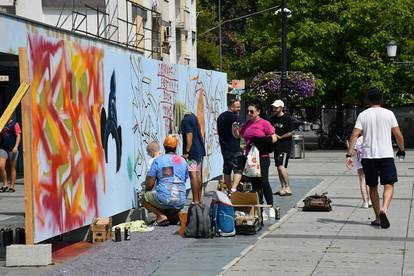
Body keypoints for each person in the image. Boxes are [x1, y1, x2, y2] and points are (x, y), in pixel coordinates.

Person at [346, 88, 405, 229]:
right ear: (381, 99)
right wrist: (401, 149)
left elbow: (354, 135)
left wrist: (349, 154)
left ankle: (378, 218)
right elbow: (398, 134)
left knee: (372, 186)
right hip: (386, 155)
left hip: (369, 156)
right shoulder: (389, 114)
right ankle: (384, 209)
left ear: (368, 100)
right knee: (389, 184)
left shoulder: (363, 115)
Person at [237, 100, 277, 219]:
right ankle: (259, 207)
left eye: (252, 111)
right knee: (255, 183)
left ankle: (270, 207)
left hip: (262, 157)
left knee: (264, 181)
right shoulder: (247, 124)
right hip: (250, 157)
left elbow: (274, 138)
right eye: (248, 111)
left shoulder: (264, 123)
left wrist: (260, 141)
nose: (249, 113)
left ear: (258, 111)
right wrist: (235, 129)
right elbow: (239, 135)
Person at [141, 135, 189, 226]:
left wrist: (147, 188)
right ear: (176, 147)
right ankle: (173, 216)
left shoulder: (158, 161)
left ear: (164, 146)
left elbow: (150, 185)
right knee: (168, 197)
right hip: (180, 201)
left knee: (142, 196)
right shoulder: (183, 161)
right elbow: (184, 180)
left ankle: (161, 216)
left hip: (165, 199)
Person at [175, 103, 206, 204]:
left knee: (193, 175)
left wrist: (187, 152)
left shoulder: (185, 120)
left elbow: (189, 136)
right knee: (198, 175)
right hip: (199, 150)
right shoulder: (193, 116)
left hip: (192, 152)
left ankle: (195, 200)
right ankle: (199, 199)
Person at [217, 98, 243, 194]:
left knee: (227, 169)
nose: (239, 109)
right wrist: (241, 135)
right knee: (238, 168)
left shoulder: (220, 116)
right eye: (237, 107)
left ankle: (228, 189)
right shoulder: (234, 118)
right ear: (231, 106)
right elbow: (236, 133)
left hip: (224, 146)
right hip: (234, 146)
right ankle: (234, 189)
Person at [269, 100, 293, 196]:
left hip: (285, 145)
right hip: (276, 145)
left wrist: (281, 137)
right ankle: (283, 187)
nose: (274, 109)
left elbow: (291, 132)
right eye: (273, 107)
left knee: (281, 166)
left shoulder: (287, 118)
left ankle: (288, 187)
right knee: (278, 167)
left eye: (276, 107)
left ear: (281, 108)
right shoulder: (272, 118)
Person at [0, 118, 21, 193]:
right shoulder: (1, 122)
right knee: (1, 166)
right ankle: (5, 184)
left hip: (12, 148)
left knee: (12, 168)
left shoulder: (15, 123)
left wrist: (16, 147)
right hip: (3, 148)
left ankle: (12, 187)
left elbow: (18, 135)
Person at [350, 135, 371, 209]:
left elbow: (353, 153)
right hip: (370, 162)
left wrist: (348, 147)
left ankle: (365, 202)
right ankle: (370, 200)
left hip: (360, 163)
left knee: (362, 181)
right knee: (370, 181)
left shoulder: (357, 140)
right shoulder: (370, 138)